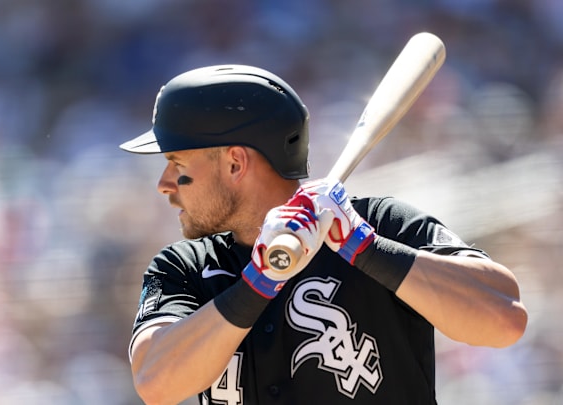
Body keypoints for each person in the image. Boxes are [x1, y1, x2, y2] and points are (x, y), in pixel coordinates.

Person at [119, 64, 527, 404]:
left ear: (235, 163)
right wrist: (260, 281)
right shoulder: (186, 268)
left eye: (177, 163)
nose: (165, 183)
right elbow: (156, 382)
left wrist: (366, 248)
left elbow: (504, 318)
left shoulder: (381, 225)